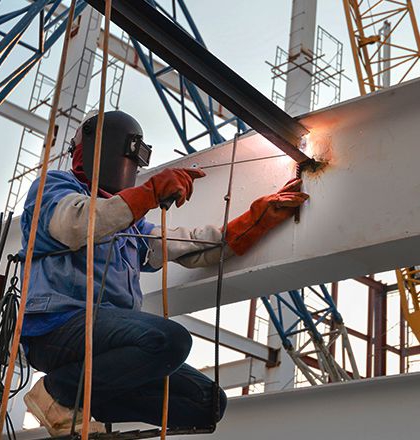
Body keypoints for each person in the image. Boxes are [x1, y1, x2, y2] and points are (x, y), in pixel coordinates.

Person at [20, 111, 309, 436]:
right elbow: (77, 225)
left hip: (109, 346)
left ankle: (82, 404)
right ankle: (57, 392)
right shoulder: (54, 188)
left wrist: (254, 221)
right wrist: (148, 194)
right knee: (168, 340)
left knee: (207, 403)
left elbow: (191, 245)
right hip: (57, 330)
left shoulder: (131, 223)